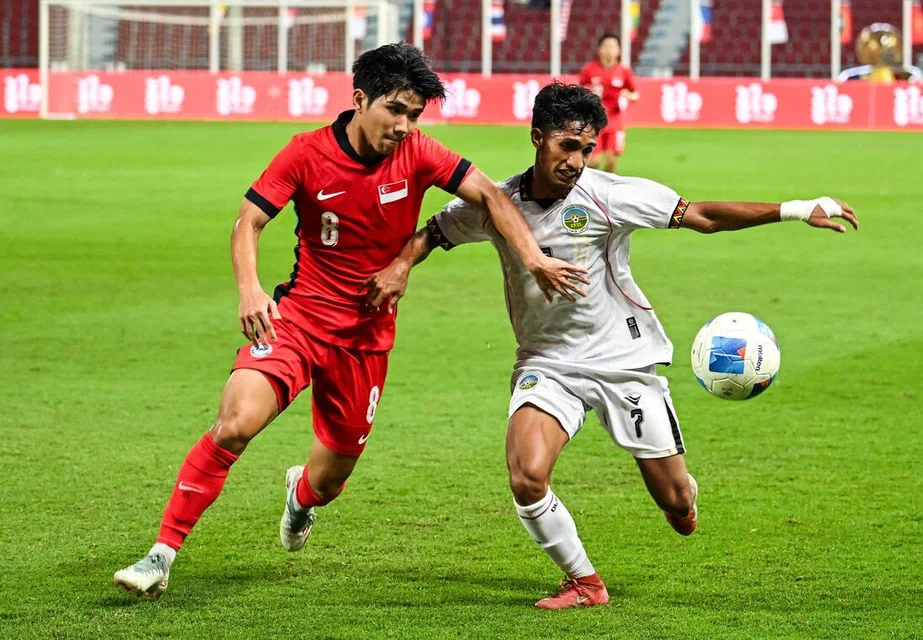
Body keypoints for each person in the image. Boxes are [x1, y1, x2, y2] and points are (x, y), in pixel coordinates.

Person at [112, 44, 587, 600]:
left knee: (331, 478)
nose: (405, 126)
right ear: (360, 99)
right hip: (297, 321)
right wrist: (250, 289)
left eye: (415, 114)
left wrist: (531, 257)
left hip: (366, 340)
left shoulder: (420, 153)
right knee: (236, 423)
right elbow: (248, 222)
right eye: (395, 110)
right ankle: (159, 555)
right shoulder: (306, 153)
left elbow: (488, 194)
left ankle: (301, 497)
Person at [364, 82, 859, 609]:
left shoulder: (609, 194)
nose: (576, 160)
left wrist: (795, 208)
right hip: (548, 363)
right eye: (565, 147)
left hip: (623, 364)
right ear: (536, 138)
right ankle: (585, 582)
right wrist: (399, 266)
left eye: (585, 149)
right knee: (527, 475)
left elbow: (702, 216)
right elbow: (435, 232)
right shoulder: (498, 203)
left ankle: (682, 495)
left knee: (675, 503)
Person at [579, 33, 638, 174]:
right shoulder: (590, 69)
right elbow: (579, 91)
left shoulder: (624, 71)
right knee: (594, 161)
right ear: (599, 50)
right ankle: (586, 187)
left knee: (611, 160)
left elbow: (635, 94)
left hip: (615, 120)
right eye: (606, 46)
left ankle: (606, 191)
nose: (609, 50)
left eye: (612, 46)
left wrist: (627, 95)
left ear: (618, 50)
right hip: (594, 121)